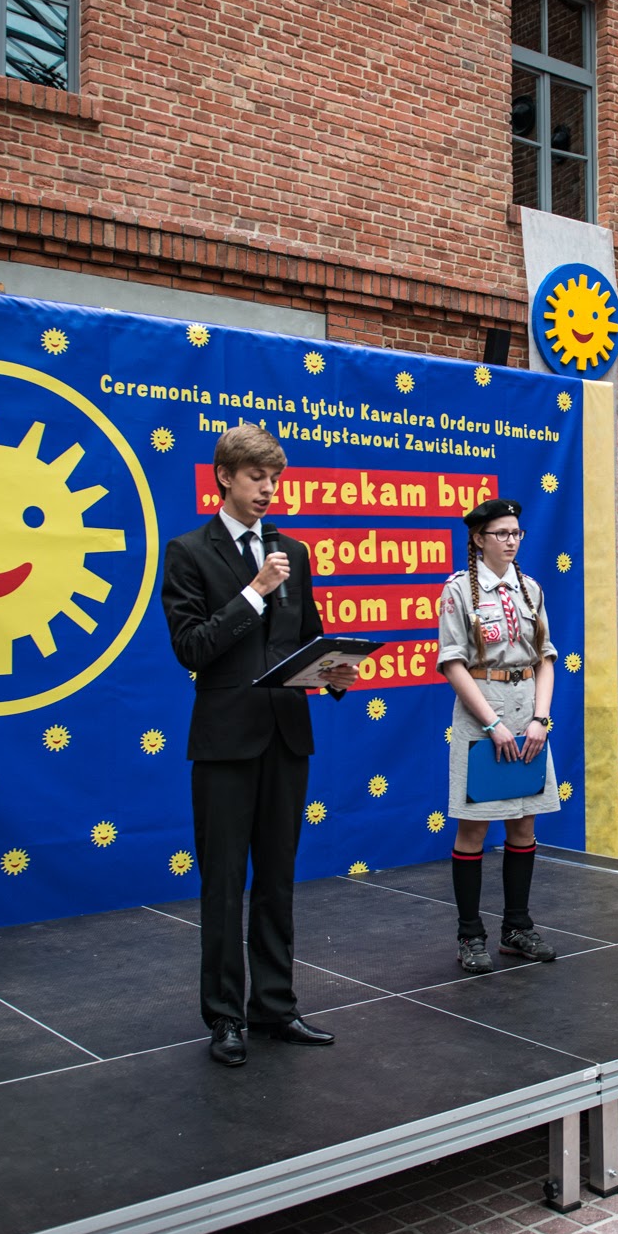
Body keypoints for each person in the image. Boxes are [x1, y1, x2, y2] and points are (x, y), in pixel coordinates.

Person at [162, 424, 357, 1066]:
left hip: (285, 736)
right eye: (256, 477)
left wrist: (333, 674)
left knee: (277, 879)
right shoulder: (188, 552)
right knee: (223, 884)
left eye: (274, 478)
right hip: (224, 743)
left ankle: (274, 1006)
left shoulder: (292, 551)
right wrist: (254, 593)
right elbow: (192, 648)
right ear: (225, 477)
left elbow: (309, 640)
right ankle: (225, 1017)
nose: (268, 489)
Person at [438, 497, 561, 974]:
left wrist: (540, 719)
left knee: (524, 824)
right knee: (474, 826)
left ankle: (517, 927)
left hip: (528, 713)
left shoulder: (531, 589)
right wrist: (491, 723)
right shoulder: (458, 591)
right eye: (501, 533)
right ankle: (470, 935)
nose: (511, 541)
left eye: (516, 533)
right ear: (478, 539)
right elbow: (453, 662)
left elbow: (545, 658)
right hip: (481, 713)